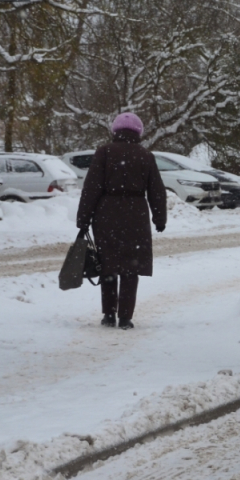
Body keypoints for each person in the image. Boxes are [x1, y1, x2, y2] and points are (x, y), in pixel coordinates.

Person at [76, 113, 167, 330]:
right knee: (130, 267)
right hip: (136, 215)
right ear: (138, 132)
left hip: (106, 213)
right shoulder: (145, 156)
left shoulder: (104, 152)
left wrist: (83, 219)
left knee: (108, 265)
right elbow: (157, 190)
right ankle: (125, 317)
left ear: (115, 131)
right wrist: (159, 217)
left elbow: (91, 188)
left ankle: (109, 314)